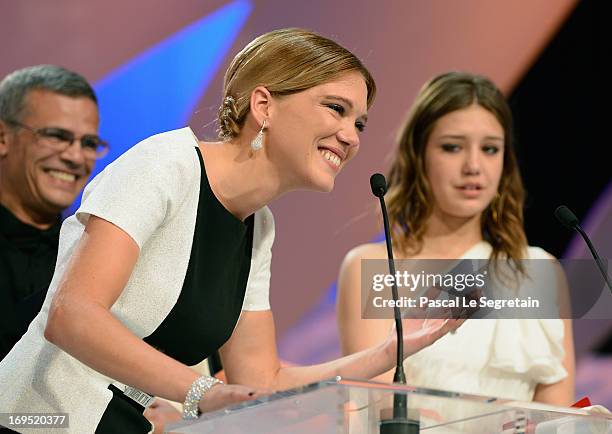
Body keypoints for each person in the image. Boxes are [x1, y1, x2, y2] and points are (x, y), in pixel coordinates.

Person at [0, 29, 463, 433]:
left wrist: (387, 352)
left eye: (358, 122)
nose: (351, 136)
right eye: (336, 109)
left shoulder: (258, 226)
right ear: (264, 105)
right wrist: (201, 390)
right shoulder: (165, 166)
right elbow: (72, 314)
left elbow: (261, 382)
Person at [337, 71, 575, 406]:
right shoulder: (372, 266)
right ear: (418, 155)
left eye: (490, 149)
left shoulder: (540, 271)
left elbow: (557, 415)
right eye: (452, 147)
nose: (474, 166)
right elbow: (372, 410)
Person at [0, 65, 104, 361]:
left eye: (88, 143)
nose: (74, 156)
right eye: (57, 136)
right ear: (3, 137)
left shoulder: (93, 255)